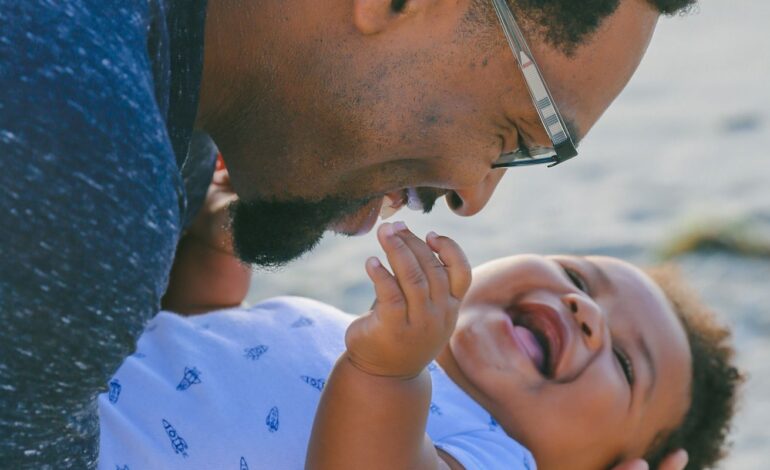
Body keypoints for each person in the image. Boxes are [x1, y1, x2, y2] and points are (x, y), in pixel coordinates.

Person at [1, 0, 698, 465]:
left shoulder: (148, 141)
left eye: (630, 367)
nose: (475, 196)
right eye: (518, 133)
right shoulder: (81, 174)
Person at [99, 217, 742, 470]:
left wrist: (387, 375)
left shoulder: (497, 455)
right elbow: (200, 359)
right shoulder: (354, 335)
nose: (582, 309)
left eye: (628, 365)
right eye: (577, 277)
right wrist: (222, 247)